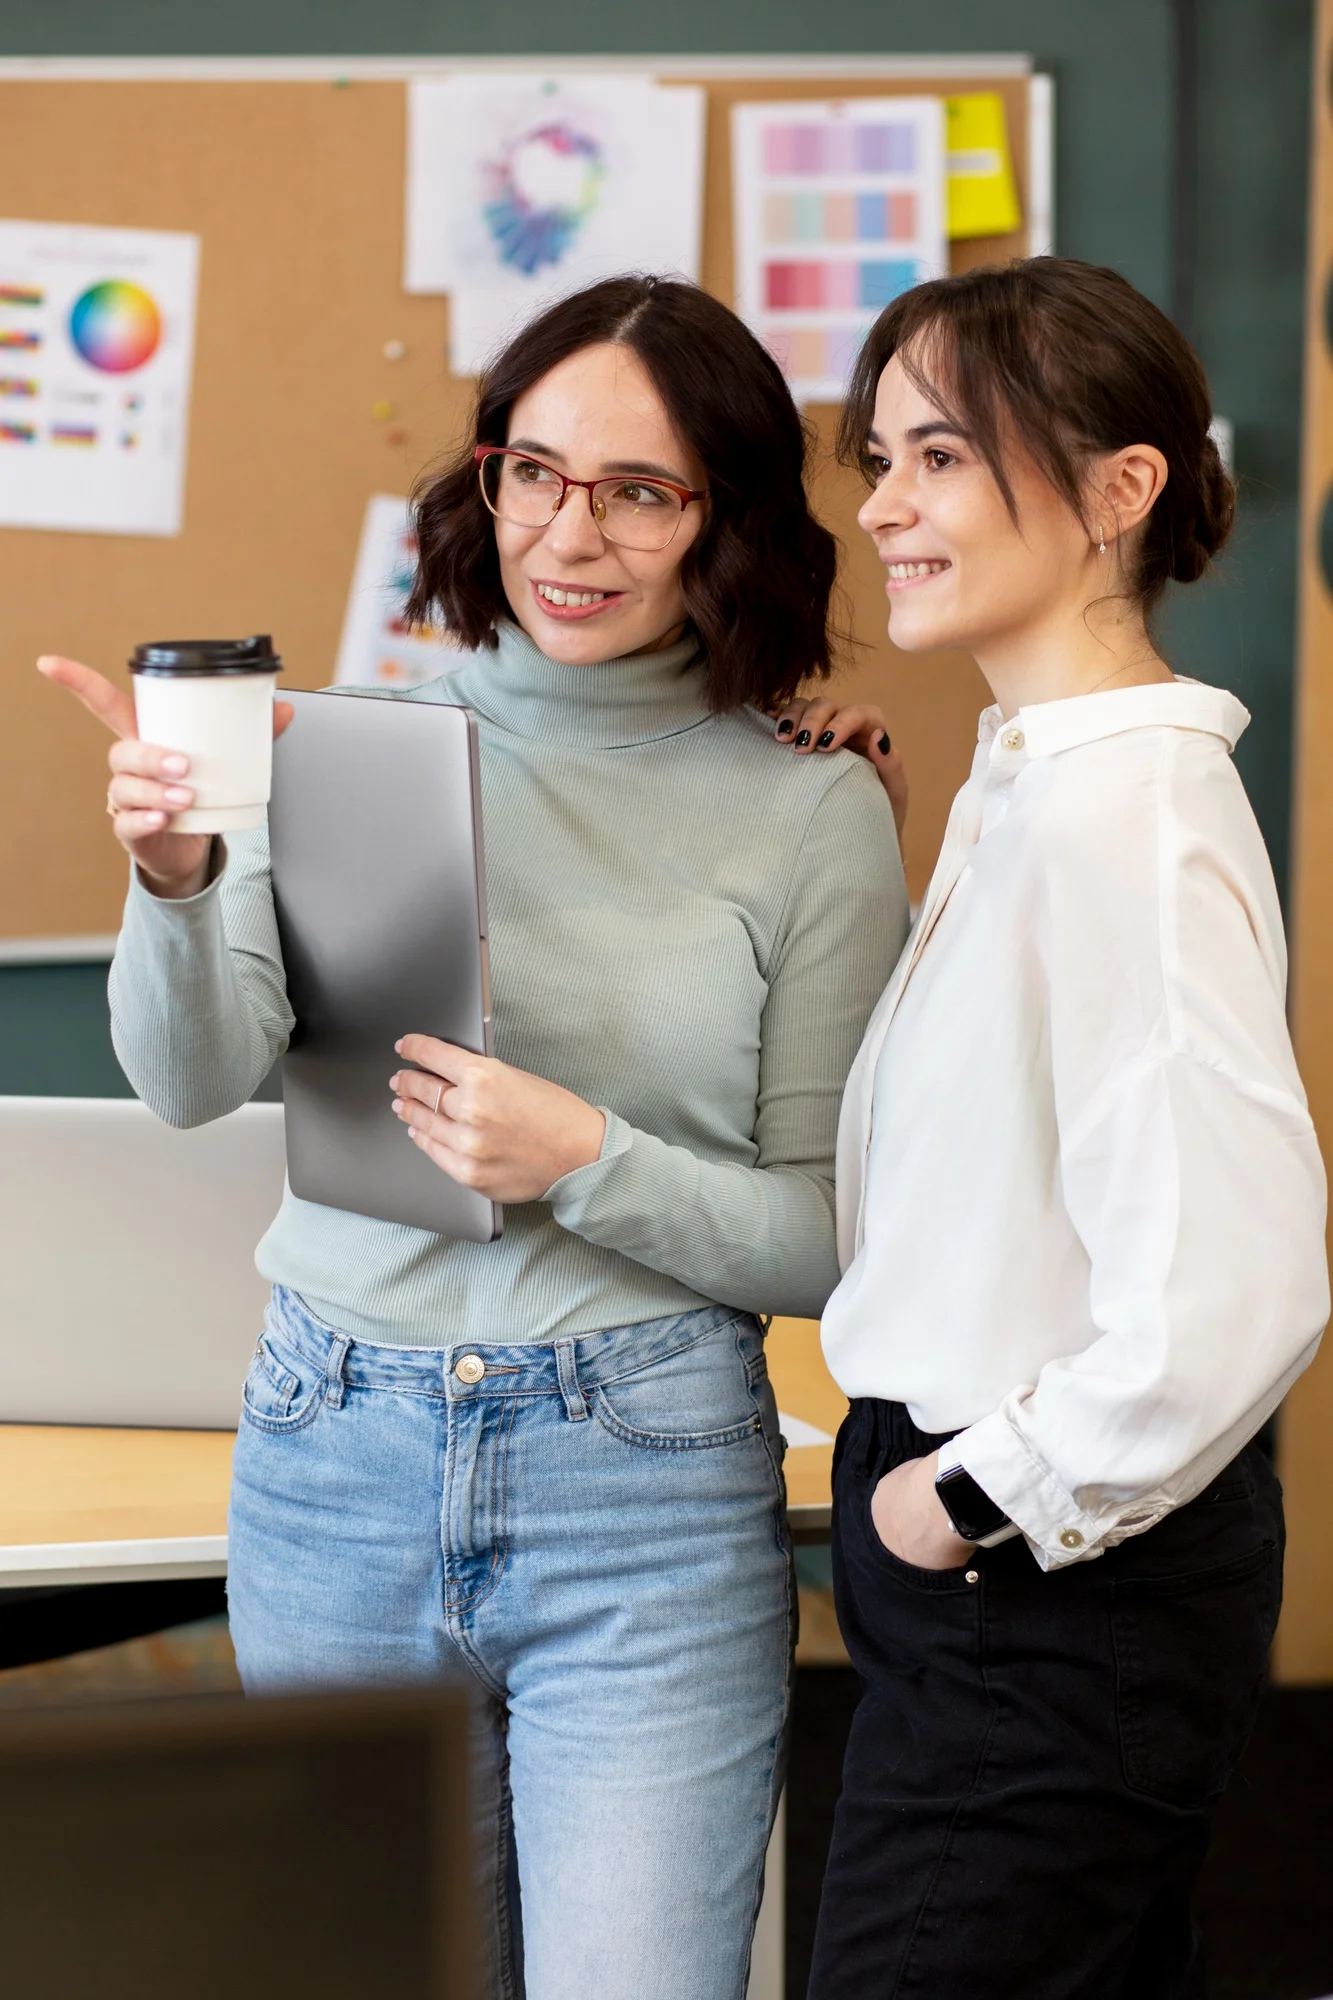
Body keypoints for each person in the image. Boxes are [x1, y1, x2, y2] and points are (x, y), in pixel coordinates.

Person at [38, 275, 908, 2000]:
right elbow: (194, 1078)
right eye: (535, 471)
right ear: (485, 483)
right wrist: (176, 877)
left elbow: (830, 1239)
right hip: (330, 1452)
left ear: (722, 520)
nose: (569, 535)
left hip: (642, 1490)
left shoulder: (814, 808)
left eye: (641, 491)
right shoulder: (348, 736)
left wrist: (585, 1155)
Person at [786, 258, 1330, 1998]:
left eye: (939, 458)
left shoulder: (1122, 818)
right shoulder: (1032, 774)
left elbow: (1231, 1293)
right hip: (1001, 1570)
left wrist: (966, 1500)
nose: (884, 508)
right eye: (882, 458)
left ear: (1120, 489)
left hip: (1042, 1577)